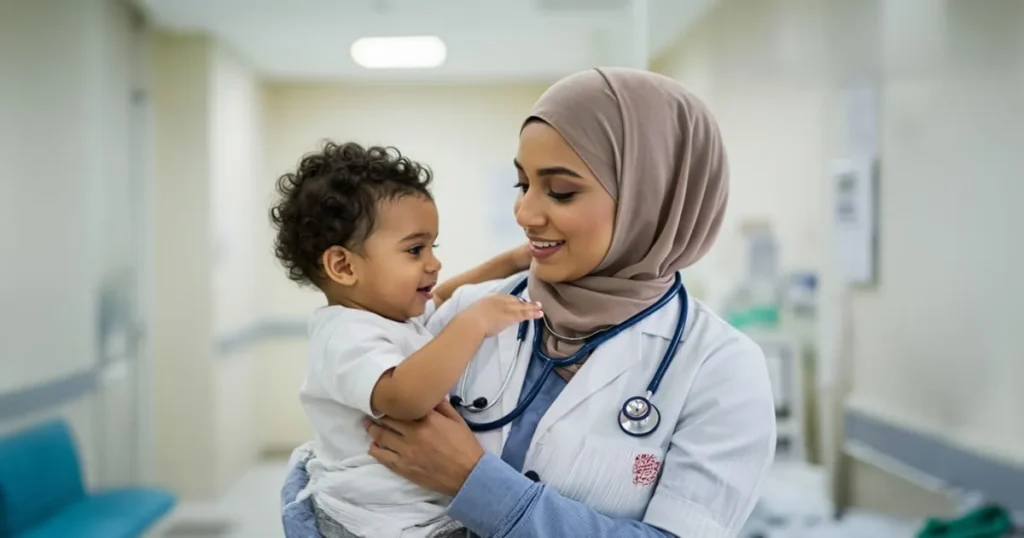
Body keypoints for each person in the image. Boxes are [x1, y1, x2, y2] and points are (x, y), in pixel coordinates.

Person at [282, 67, 777, 538]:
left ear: (654, 198)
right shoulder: (470, 314)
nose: (524, 211)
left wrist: (475, 483)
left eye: (559, 192)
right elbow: (348, 449)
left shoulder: (722, 369)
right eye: (522, 184)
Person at [270, 141, 542, 538]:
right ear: (343, 265)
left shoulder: (388, 317)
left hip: (406, 517)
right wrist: (475, 322)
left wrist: (513, 261)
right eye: (415, 249)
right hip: (371, 524)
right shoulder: (344, 335)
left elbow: (445, 294)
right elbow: (405, 398)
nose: (434, 262)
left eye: (434, 246)